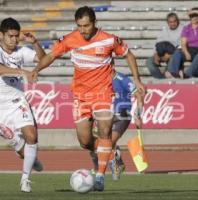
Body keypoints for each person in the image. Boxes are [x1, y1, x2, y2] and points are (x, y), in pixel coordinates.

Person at [30, 6, 145, 191]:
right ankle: (111, 153)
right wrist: (36, 70)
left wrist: (137, 79)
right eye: (79, 26)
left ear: (94, 23)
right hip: (80, 96)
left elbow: (128, 56)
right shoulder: (70, 39)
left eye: (86, 25)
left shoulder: (109, 39)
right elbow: (51, 55)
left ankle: (99, 176)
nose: (83, 30)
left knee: (104, 131)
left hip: (102, 93)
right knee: (85, 141)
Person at [0, 17, 46, 193]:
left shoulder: (21, 51)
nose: (13, 40)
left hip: (18, 101)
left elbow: (43, 59)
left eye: (16, 36)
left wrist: (35, 43)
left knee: (32, 136)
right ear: (2, 35)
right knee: (22, 151)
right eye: (10, 36)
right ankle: (30, 160)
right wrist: (23, 72)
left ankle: (25, 179)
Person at [90, 70, 143, 181]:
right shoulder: (100, 79)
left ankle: (113, 164)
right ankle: (112, 162)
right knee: (93, 143)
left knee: (108, 142)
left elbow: (138, 95)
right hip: (105, 117)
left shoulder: (122, 79)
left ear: (111, 66)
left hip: (122, 116)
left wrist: (138, 114)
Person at [168, 7, 198, 78]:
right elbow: (183, 43)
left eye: (196, 16)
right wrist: (186, 52)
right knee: (178, 52)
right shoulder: (187, 28)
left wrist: (195, 11)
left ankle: (188, 74)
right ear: (190, 17)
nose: (194, 18)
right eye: (192, 16)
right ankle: (173, 73)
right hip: (191, 50)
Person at [146, 12, 183, 79]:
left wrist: (170, 55)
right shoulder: (164, 30)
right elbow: (157, 43)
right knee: (149, 61)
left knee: (172, 60)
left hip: (175, 54)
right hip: (162, 53)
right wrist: (155, 54)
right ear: (168, 23)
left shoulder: (183, 29)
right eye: (170, 22)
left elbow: (182, 46)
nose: (173, 23)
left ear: (177, 21)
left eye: (174, 21)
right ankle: (161, 79)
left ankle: (168, 77)